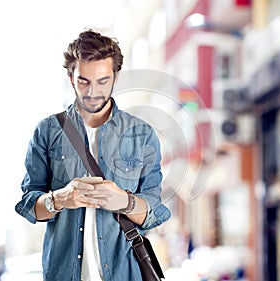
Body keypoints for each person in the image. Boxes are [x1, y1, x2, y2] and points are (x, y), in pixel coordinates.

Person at [15, 28, 171, 281]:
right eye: (83, 81)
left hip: (124, 274)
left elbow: (155, 213)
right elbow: (28, 205)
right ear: (71, 78)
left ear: (116, 77)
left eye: (102, 81)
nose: (92, 92)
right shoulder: (47, 131)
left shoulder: (142, 134)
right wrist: (60, 198)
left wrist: (123, 201)